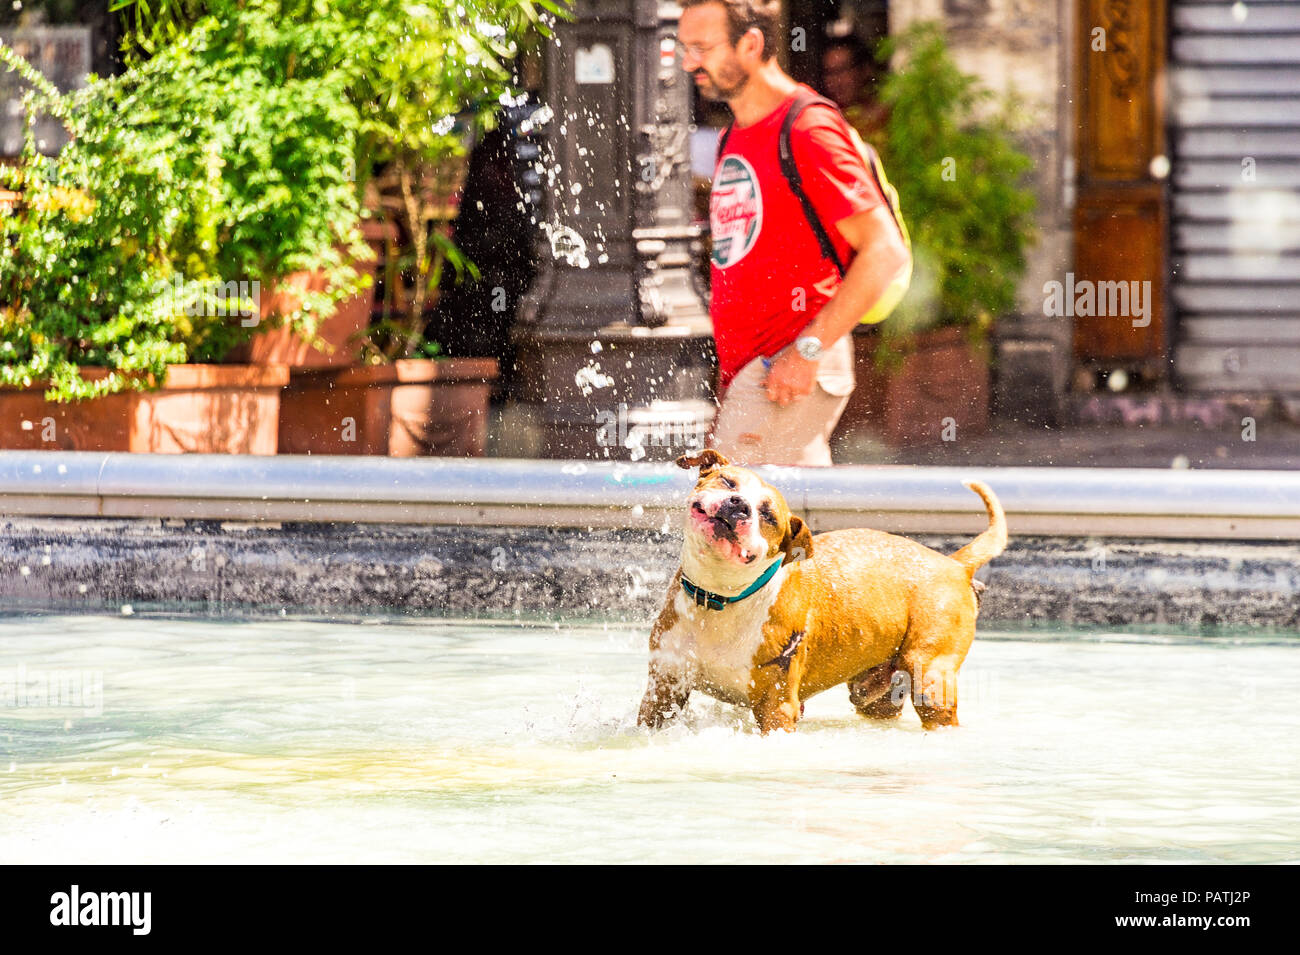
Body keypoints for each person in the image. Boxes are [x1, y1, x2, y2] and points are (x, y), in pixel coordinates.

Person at [678, 0, 911, 466]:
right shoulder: (734, 134)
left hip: (790, 362)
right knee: (790, 531)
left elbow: (885, 251)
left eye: (701, 47)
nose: (689, 63)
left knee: (718, 516)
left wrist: (805, 353)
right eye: (685, 48)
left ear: (751, 44)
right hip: (761, 372)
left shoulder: (808, 127)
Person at [822, 34, 890, 150]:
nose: (836, 80)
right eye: (829, 72)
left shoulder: (888, 117)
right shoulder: (825, 121)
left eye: (842, 70)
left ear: (865, 70)